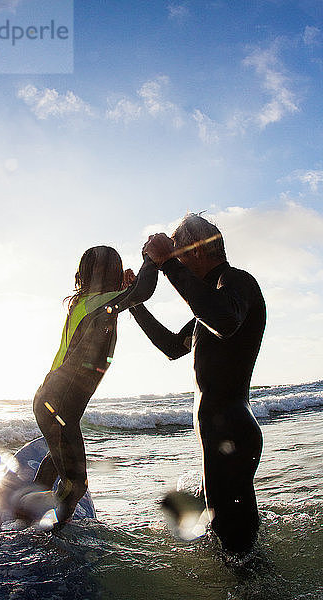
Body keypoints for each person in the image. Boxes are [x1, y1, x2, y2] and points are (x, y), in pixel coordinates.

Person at [129, 214, 266, 556]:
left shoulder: (237, 282)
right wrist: (135, 304)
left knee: (233, 539)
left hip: (231, 431)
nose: (177, 265)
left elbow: (224, 321)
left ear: (198, 251)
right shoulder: (211, 301)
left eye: (181, 255)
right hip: (220, 434)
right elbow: (173, 347)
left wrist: (168, 264)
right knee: (226, 534)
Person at [13, 245, 158, 529]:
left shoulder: (82, 303)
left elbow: (132, 295)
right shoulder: (104, 303)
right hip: (61, 405)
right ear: (113, 275)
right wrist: (149, 260)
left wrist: (128, 285)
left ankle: (21, 515)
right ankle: (50, 533)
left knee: (57, 457)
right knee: (76, 483)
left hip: (47, 399)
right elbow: (144, 291)